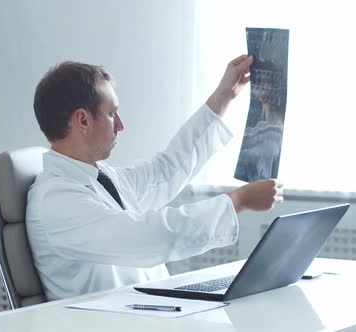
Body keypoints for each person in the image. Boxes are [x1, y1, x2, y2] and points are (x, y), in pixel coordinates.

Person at [26, 55, 284, 301]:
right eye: (112, 114)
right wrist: (237, 201)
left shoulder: (102, 177)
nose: (120, 125)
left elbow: (166, 170)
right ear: (83, 120)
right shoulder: (55, 200)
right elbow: (147, 236)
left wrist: (223, 97)